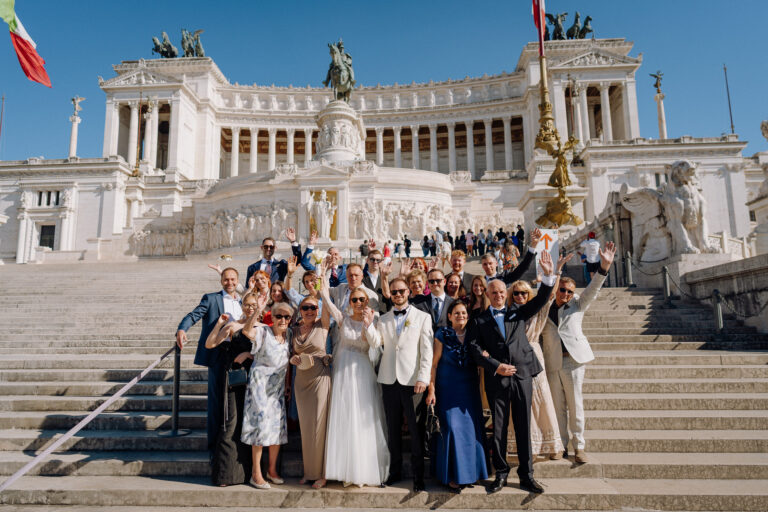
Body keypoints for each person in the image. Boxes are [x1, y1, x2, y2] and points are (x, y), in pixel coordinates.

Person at [467, 250, 557, 495]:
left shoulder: (517, 312)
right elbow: (474, 349)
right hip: (497, 379)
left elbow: (539, 302)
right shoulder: (479, 320)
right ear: (487, 294)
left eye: (501, 292)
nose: (498, 295)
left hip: (521, 376)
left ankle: (527, 475)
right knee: (498, 429)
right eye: (493, 292)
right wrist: (496, 365)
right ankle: (501, 473)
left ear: (506, 294)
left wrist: (549, 278)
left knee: (523, 426)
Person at [541, 241, 616, 464]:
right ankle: (560, 445)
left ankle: (579, 447)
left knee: (576, 405)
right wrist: (555, 272)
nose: (565, 293)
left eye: (569, 291)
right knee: (557, 406)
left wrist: (603, 268)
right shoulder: (545, 307)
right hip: (552, 360)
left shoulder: (577, 304)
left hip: (573, 361)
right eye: (562, 290)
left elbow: (593, 290)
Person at [321, 271, 390, 487]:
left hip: (362, 370)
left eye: (362, 299)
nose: (358, 302)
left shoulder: (375, 319)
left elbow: (376, 344)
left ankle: (363, 469)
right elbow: (324, 295)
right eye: (355, 299)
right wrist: (321, 272)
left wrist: (368, 325)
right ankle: (343, 468)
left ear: (367, 301)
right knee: (344, 416)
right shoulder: (343, 318)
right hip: (343, 372)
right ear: (349, 301)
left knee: (363, 417)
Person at [505, 252, 574, 459]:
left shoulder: (537, 310)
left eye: (523, 294)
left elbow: (550, 295)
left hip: (534, 355)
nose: (519, 297)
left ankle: (550, 445)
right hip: (514, 358)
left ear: (529, 295)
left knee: (541, 399)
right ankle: (526, 446)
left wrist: (555, 271)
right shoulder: (508, 313)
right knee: (520, 403)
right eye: (516, 294)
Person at [372, 277, 433, 492]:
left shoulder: (423, 317)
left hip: (412, 381)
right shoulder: (383, 318)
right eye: (394, 292)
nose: (398, 295)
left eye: (401, 291)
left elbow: (427, 350)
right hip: (389, 380)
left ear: (408, 292)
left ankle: (418, 476)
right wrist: (366, 325)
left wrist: (423, 378)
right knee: (393, 429)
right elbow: (376, 343)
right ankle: (394, 472)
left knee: (416, 431)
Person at [176, 268, 243, 453]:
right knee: (216, 401)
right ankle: (214, 446)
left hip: (240, 356)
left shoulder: (244, 301)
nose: (229, 283)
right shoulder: (211, 298)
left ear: (238, 281)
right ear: (221, 281)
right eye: (226, 279)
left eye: (233, 279)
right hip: (218, 354)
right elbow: (193, 315)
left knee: (237, 402)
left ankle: (235, 445)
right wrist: (182, 329)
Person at [203, 291, 264, 486]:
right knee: (231, 422)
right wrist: (219, 324)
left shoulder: (264, 328)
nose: (250, 308)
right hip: (234, 378)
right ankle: (227, 475)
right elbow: (210, 343)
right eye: (247, 305)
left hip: (256, 380)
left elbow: (268, 355)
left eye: (254, 305)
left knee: (251, 424)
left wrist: (248, 354)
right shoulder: (233, 325)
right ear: (242, 306)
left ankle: (249, 472)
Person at [426, 301, 488, 491]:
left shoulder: (474, 335)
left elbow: (480, 360)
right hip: (447, 389)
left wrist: (485, 355)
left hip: (469, 390)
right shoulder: (442, 334)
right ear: (450, 316)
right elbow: (434, 364)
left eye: (463, 313)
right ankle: (452, 474)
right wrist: (432, 389)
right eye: (456, 313)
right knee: (452, 429)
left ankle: (470, 474)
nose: (460, 315)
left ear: (468, 316)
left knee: (471, 431)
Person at [240, 300, 293, 489]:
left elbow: (286, 364)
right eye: (279, 316)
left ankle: (271, 470)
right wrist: (259, 311)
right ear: (273, 317)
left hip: (277, 390)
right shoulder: (264, 332)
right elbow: (246, 331)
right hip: (260, 387)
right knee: (260, 429)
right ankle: (256, 474)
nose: (283, 320)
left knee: (277, 430)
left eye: (287, 317)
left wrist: (287, 386)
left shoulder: (288, 337)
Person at [290, 295, 332, 488]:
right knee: (306, 428)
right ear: (300, 309)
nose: (309, 311)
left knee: (320, 426)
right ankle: (309, 472)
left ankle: (323, 474)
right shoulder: (295, 330)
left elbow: (326, 305)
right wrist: (293, 359)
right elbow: (291, 354)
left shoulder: (322, 325)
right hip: (301, 381)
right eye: (305, 307)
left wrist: (323, 278)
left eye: (313, 308)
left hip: (320, 378)